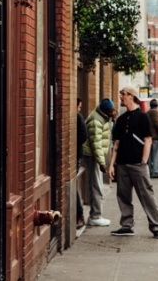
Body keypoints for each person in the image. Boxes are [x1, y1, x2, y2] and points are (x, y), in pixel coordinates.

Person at [109, 86, 158, 239]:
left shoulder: (142, 116)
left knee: (147, 195)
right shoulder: (120, 119)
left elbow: (148, 140)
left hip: (137, 165)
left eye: (123, 95)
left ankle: (156, 227)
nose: (120, 98)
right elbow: (116, 144)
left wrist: (143, 161)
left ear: (131, 96)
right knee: (123, 196)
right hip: (122, 164)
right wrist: (112, 164)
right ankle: (126, 225)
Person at [82, 97, 116, 227]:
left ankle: (96, 214)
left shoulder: (103, 117)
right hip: (92, 156)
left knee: (96, 184)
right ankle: (95, 216)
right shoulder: (96, 120)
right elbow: (95, 144)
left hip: (95, 156)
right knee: (96, 185)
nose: (112, 113)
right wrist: (102, 163)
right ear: (105, 111)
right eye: (111, 111)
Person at [76, 98, 89, 229]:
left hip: (75, 155)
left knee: (73, 185)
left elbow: (83, 136)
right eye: (79, 106)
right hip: (76, 155)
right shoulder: (78, 116)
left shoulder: (78, 117)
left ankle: (79, 215)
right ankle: (79, 215)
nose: (80, 109)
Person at [147, 99, 158, 179]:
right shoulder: (157, 113)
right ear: (157, 106)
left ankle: (150, 171)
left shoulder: (147, 113)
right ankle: (155, 172)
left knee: (150, 156)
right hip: (157, 137)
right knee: (157, 155)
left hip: (149, 137)